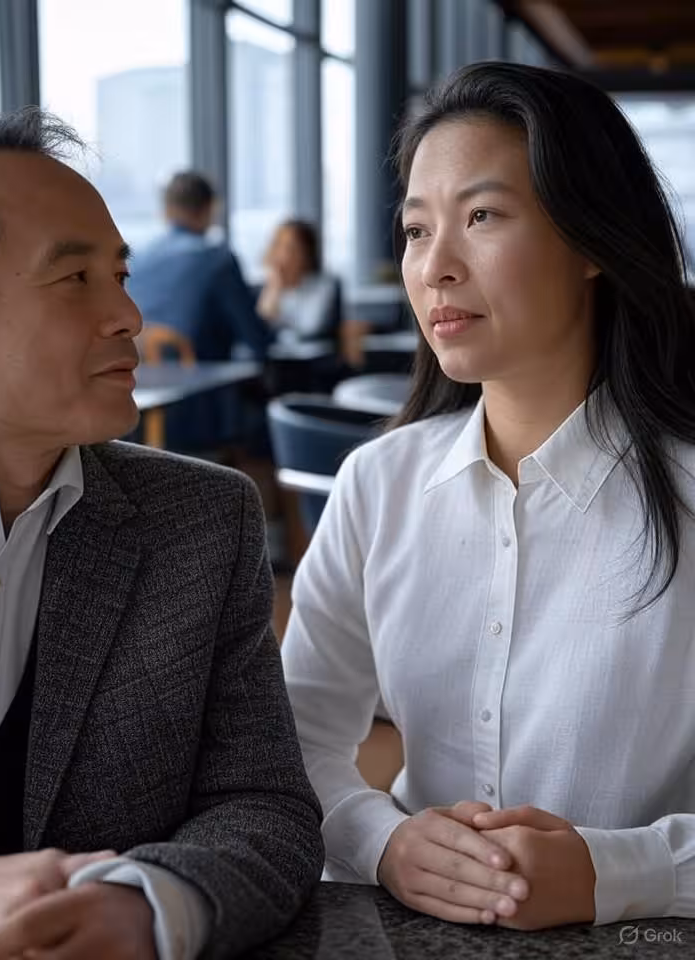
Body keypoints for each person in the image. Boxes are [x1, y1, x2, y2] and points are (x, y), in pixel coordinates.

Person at [281, 61, 695, 933]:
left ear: (591, 240)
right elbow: (289, 741)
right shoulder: (378, 484)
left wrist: (617, 871)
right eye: (416, 229)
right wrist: (381, 840)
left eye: (481, 217)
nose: (436, 267)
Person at [0, 107, 323, 960]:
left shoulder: (200, 523)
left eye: (121, 275)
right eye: (75, 278)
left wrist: (147, 907)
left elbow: (265, 805)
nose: (129, 314)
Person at [128, 171, 273, 362]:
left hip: (141, 374)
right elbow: (255, 337)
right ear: (210, 209)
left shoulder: (136, 258)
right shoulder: (218, 258)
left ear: (166, 210)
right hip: (200, 373)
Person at [257, 219, 340, 342]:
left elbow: (310, 328)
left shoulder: (325, 285)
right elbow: (258, 328)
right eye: (277, 246)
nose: (282, 254)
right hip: (279, 352)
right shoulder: (270, 285)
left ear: (307, 253)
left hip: (310, 352)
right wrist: (274, 287)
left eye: (291, 248)